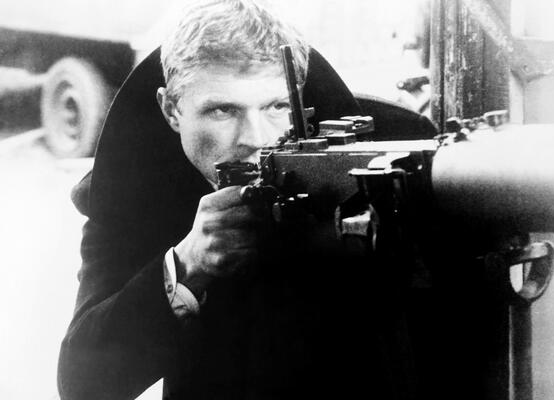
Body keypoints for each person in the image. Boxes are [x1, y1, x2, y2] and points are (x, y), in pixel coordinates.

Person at [58, 1, 436, 399]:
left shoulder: (392, 149)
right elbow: (84, 384)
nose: (255, 138)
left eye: (276, 107)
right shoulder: (137, 195)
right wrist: (186, 266)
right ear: (171, 110)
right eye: (223, 110)